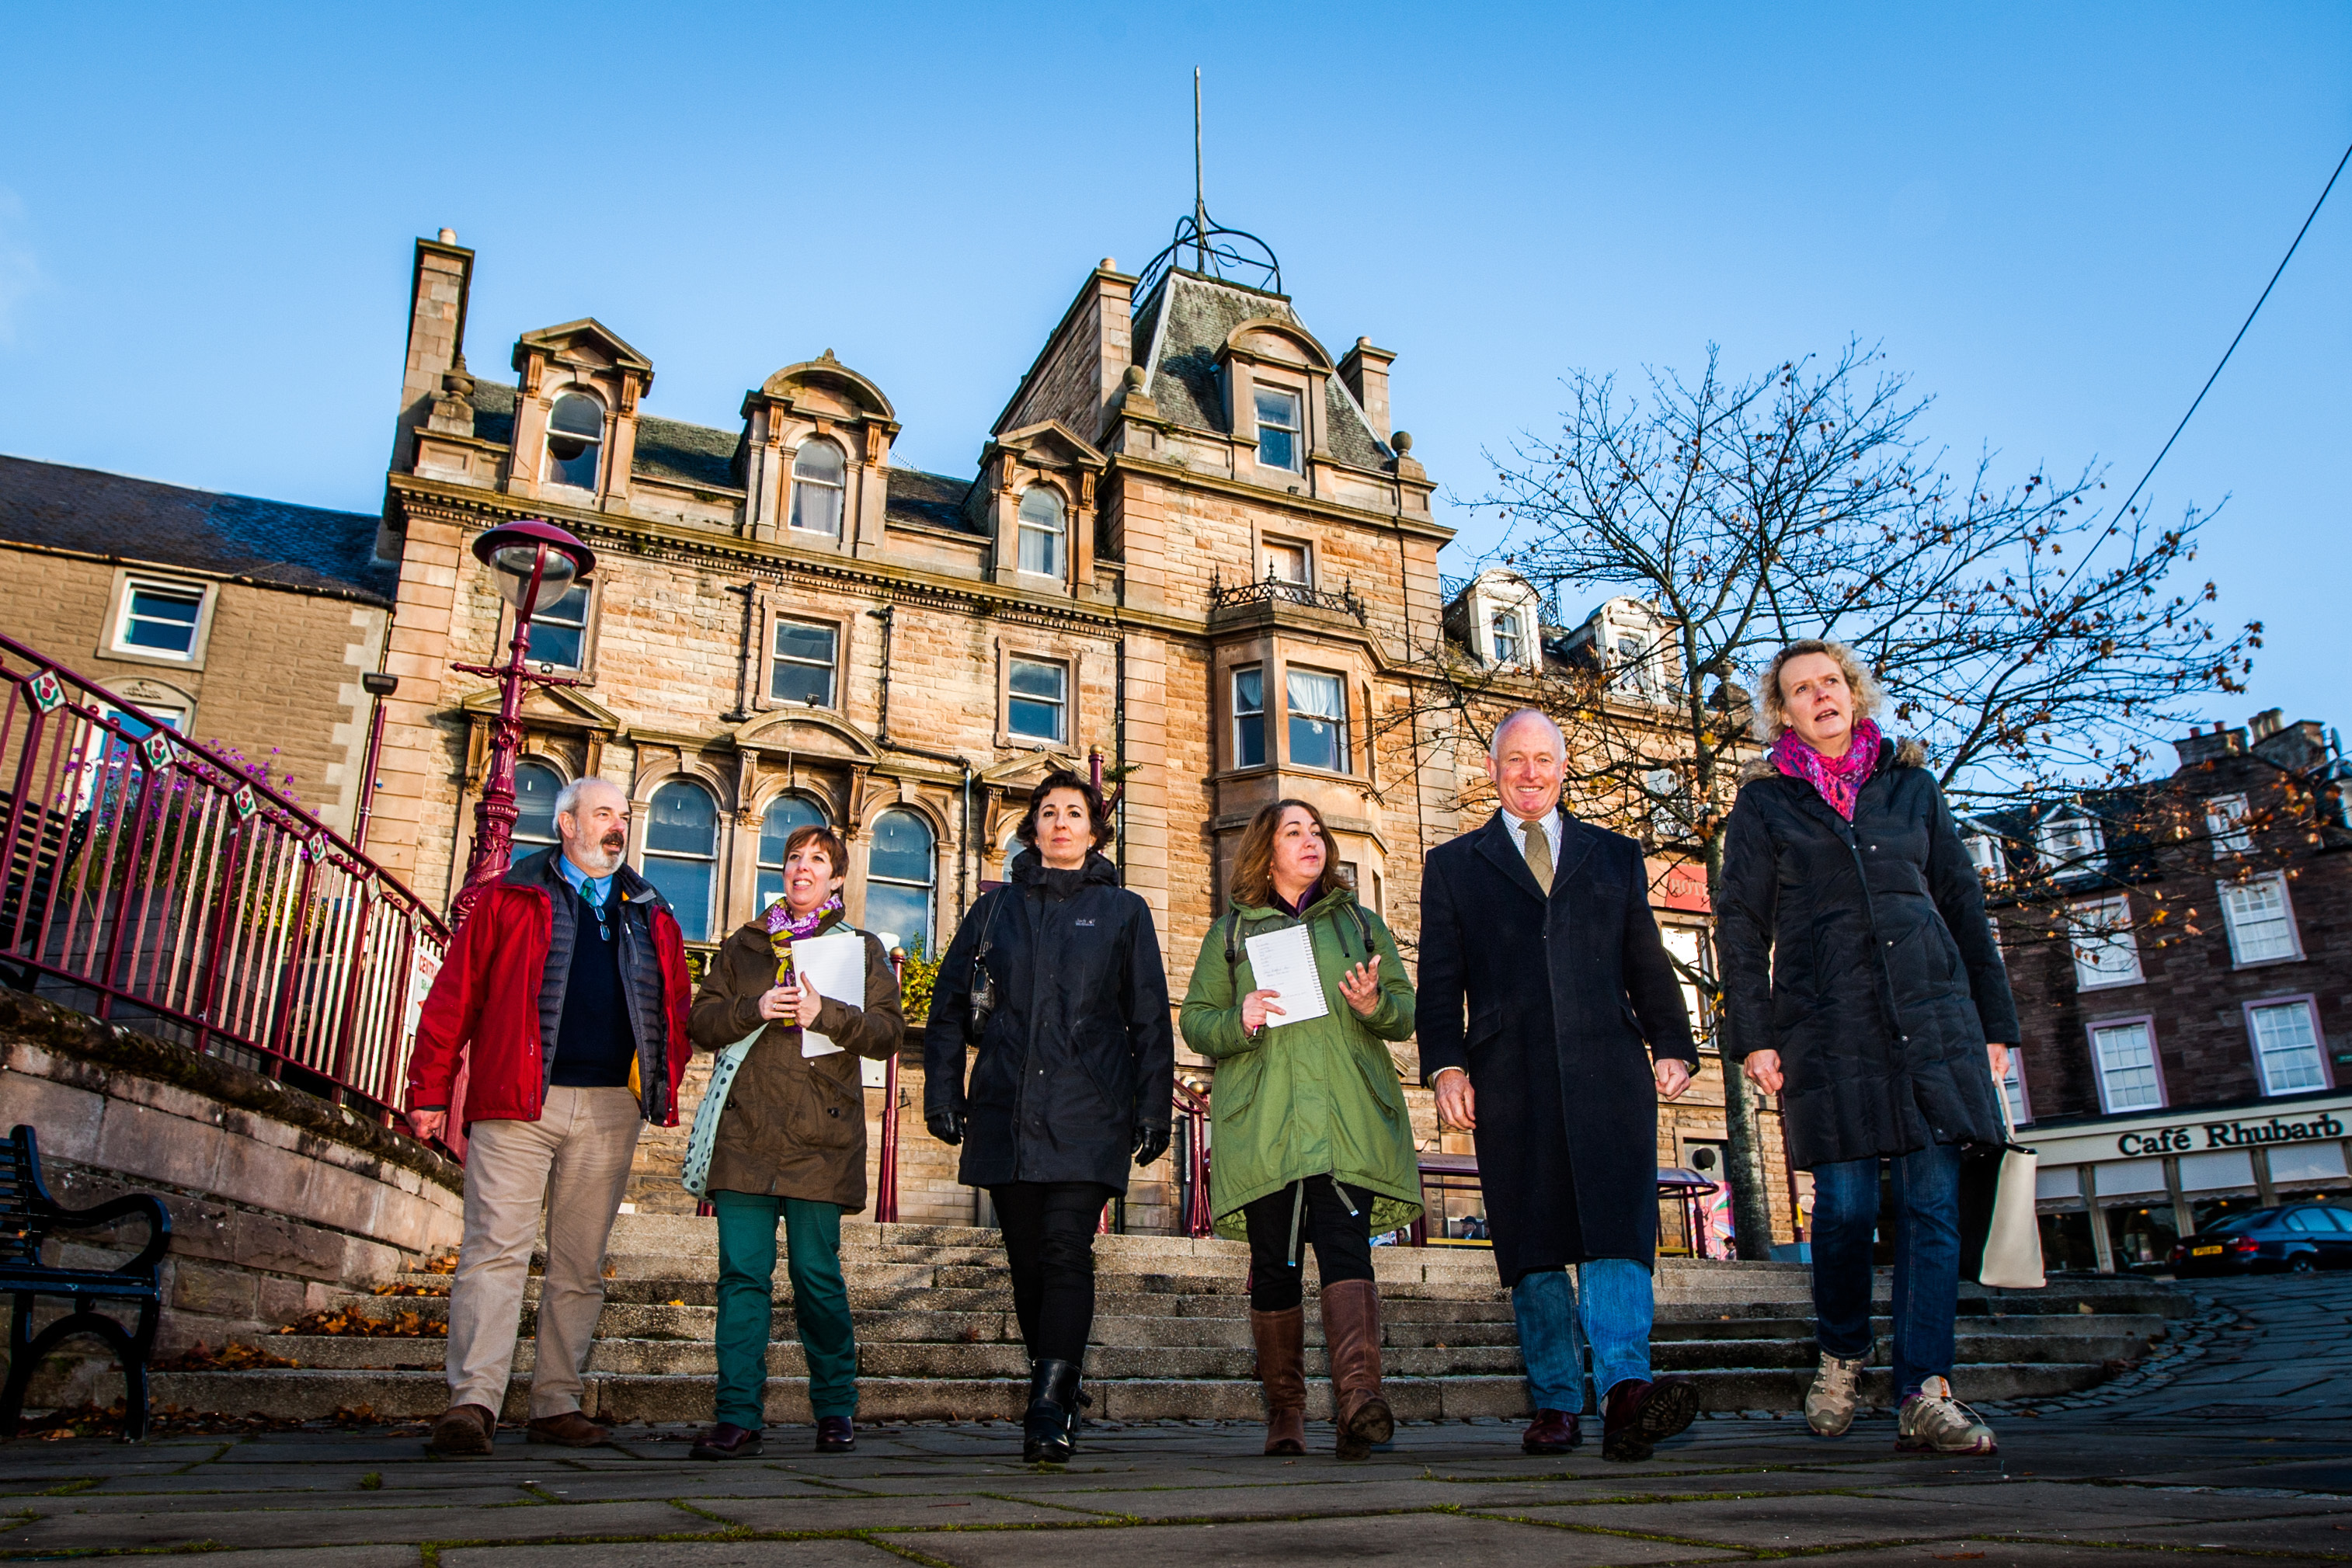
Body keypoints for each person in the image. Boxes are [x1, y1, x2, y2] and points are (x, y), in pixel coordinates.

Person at [1715, 639, 2019, 1456]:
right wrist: (1754, 1038)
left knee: (1930, 1209)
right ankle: (1843, 1350)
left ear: (1853, 694)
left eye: (1830, 683)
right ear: (1780, 713)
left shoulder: (1912, 788)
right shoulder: (1765, 807)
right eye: (1800, 690)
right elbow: (1740, 928)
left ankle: (1926, 1391)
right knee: (1844, 1211)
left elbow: (1960, 903)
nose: (1820, 697)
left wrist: (1995, 1025)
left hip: (1931, 1025)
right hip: (1826, 1029)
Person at [1415, 708, 1703, 1462]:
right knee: (1534, 1238)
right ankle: (1554, 1401)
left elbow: (1646, 959)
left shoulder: (1615, 856)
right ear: (1492, 770)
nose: (1530, 773)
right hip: (1510, 1077)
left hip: (1609, 1069)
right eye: (1516, 760)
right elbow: (1440, 982)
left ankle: (1625, 1392)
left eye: (1544, 759)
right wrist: (1446, 1062)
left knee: (1615, 1230)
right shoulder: (1452, 867)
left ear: (1563, 769)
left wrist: (1671, 1042)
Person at [405, 777, 693, 1455]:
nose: (617, 827)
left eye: (623, 816)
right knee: (494, 1250)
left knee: (580, 1263)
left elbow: (674, 1007)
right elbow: (456, 994)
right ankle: (473, 1401)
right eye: (602, 815)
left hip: (609, 1109)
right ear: (566, 824)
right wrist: (429, 1088)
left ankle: (555, 1401)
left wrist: (659, 1079)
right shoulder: (510, 896)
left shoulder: (651, 910)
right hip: (516, 1101)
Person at [923, 769, 1174, 1462]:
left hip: (1089, 1109)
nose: (1061, 822)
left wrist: (1155, 1107)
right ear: (1032, 827)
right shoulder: (993, 912)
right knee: (1027, 1263)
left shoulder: (1124, 911)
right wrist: (943, 1092)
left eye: (1075, 812)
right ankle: (1058, 1385)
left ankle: (1047, 1404)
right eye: (1048, 812)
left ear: (1095, 829)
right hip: (1005, 1105)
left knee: (1067, 1251)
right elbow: (947, 1008)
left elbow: (1149, 1017)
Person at [1178, 799, 1421, 1459]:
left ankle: (1359, 1401)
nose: (1312, 840)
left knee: (1348, 1253)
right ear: (1267, 848)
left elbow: (1405, 1012)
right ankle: (1285, 1412)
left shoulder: (1361, 924)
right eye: (1295, 831)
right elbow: (1196, 1019)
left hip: (1345, 1122)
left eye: (1317, 831)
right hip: (1265, 1127)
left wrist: (1376, 1004)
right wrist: (1240, 1017)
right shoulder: (1229, 936)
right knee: (1275, 1266)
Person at [684, 823, 904, 1459]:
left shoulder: (861, 949)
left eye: (817, 860)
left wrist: (823, 1014)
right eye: (792, 859)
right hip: (746, 1133)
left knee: (817, 1277)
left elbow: (887, 1033)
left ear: (837, 877)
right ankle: (737, 1415)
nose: (801, 869)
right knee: (742, 1277)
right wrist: (756, 1007)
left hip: (821, 1137)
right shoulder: (744, 945)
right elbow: (702, 1021)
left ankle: (835, 1406)